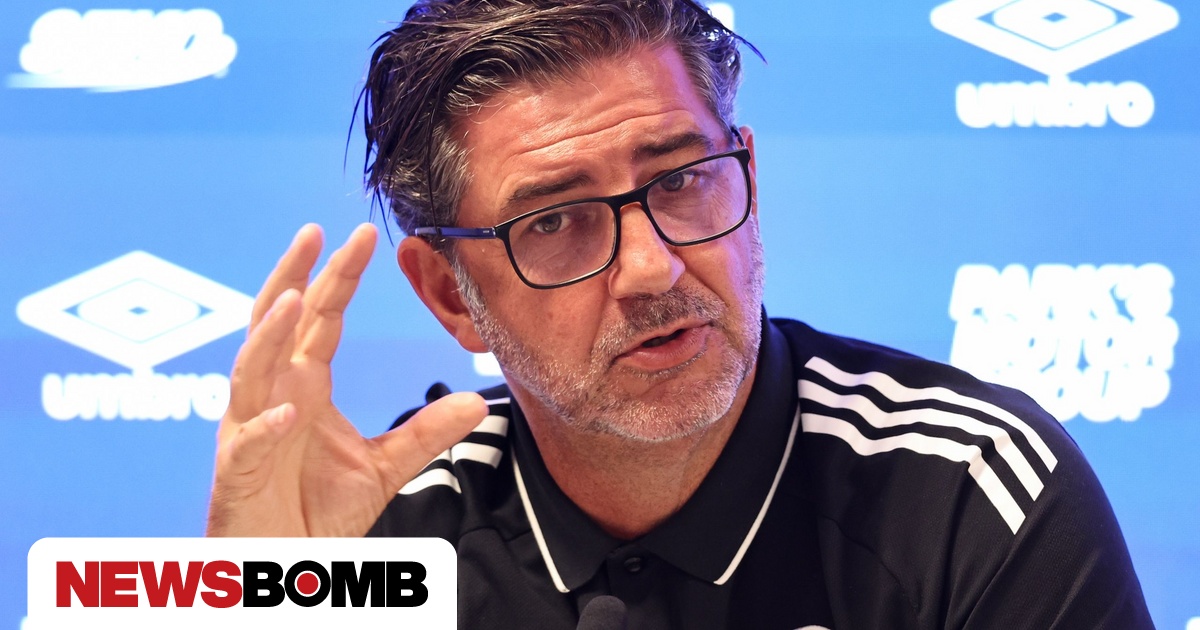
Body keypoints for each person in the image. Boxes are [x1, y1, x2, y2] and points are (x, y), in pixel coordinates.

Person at [205, 0, 1154, 627]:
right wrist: (249, 604)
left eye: (683, 179)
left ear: (748, 174)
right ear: (453, 294)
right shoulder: (377, 539)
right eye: (557, 221)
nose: (651, 267)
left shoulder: (967, 493)